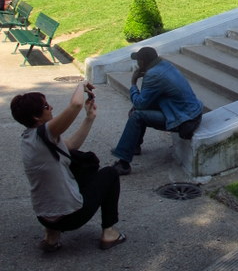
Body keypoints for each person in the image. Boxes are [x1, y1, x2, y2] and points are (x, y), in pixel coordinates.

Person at [10, 81, 125, 252]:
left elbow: (70, 145)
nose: (51, 108)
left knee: (68, 174)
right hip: (72, 217)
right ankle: (109, 233)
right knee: (109, 173)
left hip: (43, 216)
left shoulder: (29, 138)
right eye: (46, 106)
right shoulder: (46, 132)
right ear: (36, 117)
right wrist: (81, 85)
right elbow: (76, 104)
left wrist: (89, 118)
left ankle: (51, 236)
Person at [111, 47, 203, 175]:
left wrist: (133, 83)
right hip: (190, 112)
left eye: (138, 61)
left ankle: (124, 164)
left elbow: (140, 103)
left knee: (136, 116)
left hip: (185, 119)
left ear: (142, 62)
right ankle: (134, 147)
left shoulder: (153, 75)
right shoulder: (164, 65)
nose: (137, 64)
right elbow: (146, 100)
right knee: (137, 111)